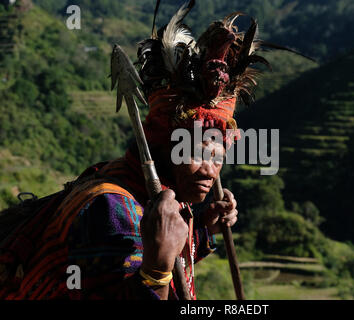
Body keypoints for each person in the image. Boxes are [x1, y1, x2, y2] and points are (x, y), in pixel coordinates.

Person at [0, 0, 281, 300]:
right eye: (197, 152)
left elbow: (148, 257)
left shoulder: (153, 196)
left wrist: (202, 229)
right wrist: (155, 272)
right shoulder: (112, 211)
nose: (210, 170)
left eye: (218, 156)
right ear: (162, 142)